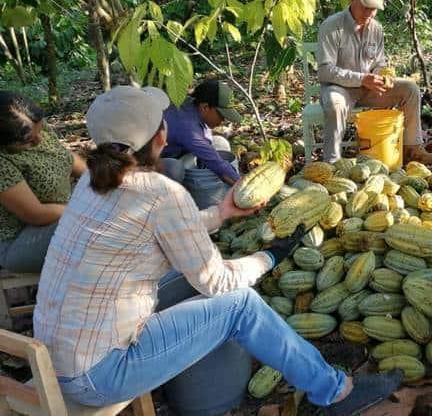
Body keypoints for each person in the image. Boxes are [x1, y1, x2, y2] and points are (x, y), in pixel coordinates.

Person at [33, 85, 402, 415]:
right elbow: (217, 283)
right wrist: (270, 256)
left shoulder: (90, 183)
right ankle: (337, 392)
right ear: (160, 136)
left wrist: (221, 213)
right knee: (240, 305)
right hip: (99, 374)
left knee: (186, 273)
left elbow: (160, 232)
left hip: (55, 360)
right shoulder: (161, 193)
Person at [318, 0, 432, 164]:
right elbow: (326, 71)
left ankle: (412, 149)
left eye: (373, 9)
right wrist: (362, 79)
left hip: (368, 89)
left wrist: (384, 74)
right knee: (335, 105)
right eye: (365, 7)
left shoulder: (376, 29)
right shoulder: (332, 26)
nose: (369, 13)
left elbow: (378, 62)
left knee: (410, 89)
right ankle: (332, 162)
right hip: (339, 89)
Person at [0, 91, 86, 273]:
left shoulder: (37, 126)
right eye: (29, 141)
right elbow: (36, 214)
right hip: (18, 240)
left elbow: (64, 157)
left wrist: (100, 177)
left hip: (63, 214)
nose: (39, 141)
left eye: (39, 131)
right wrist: (84, 210)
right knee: (99, 227)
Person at [162, 79, 242, 208]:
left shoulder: (191, 104)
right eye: (221, 115)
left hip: (177, 150)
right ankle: (166, 206)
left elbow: (206, 142)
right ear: (205, 107)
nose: (223, 120)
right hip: (146, 163)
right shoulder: (187, 127)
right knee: (174, 169)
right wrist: (245, 188)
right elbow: (217, 164)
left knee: (220, 143)